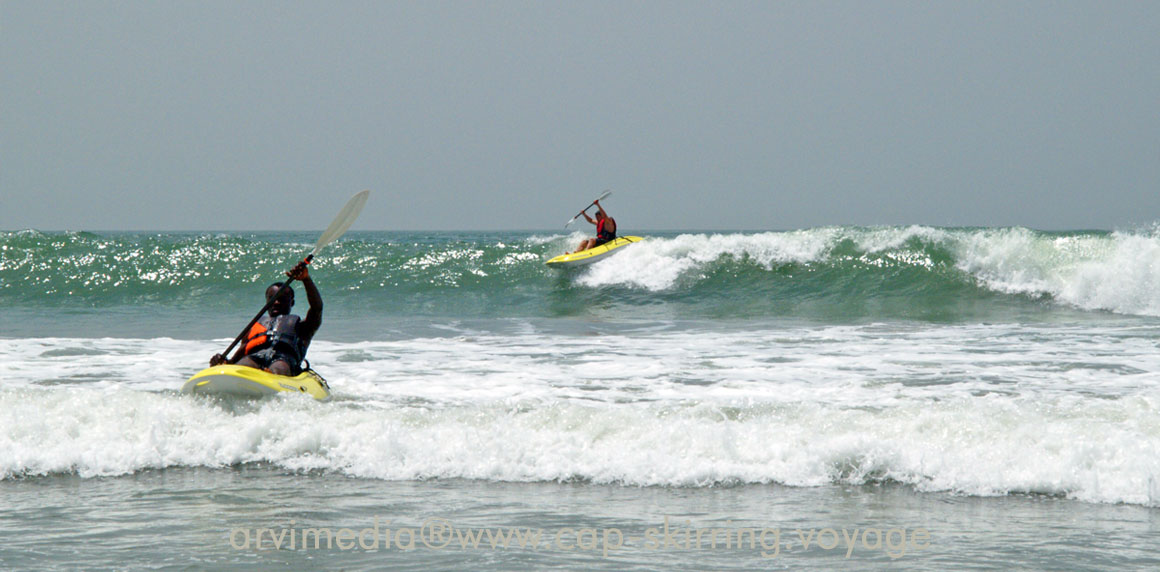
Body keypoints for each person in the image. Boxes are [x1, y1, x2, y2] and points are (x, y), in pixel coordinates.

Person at [209, 260, 322, 376]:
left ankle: (270, 376)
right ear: (267, 301)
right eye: (272, 298)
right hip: (254, 358)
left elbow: (317, 308)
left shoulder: (302, 327)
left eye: (282, 299)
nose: (276, 302)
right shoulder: (255, 325)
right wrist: (224, 362)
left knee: (279, 367)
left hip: (282, 359)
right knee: (244, 364)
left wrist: (306, 279)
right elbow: (240, 353)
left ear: (292, 302)